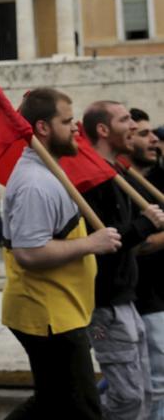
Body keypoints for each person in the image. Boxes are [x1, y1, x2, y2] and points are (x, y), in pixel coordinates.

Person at [1, 89, 117, 419]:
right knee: (81, 407)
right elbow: (29, 251)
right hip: (48, 316)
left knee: (53, 403)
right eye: (66, 121)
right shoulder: (35, 182)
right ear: (42, 127)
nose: (76, 127)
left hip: (62, 310)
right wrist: (91, 244)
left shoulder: (48, 170)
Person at [81, 101, 164, 420]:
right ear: (103, 130)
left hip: (126, 299)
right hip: (107, 303)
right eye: (126, 120)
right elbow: (103, 237)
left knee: (142, 394)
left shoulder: (115, 173)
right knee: (127, 398)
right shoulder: (94, 179)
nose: (133, 126)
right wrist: (144, 225)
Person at [128, 109, 164, 420]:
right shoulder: (123, 188)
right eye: (143, 134)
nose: (153, 139)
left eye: (153, 134)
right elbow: (133, 244)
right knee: (155, 385)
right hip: (144, 299)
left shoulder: (158, 180)